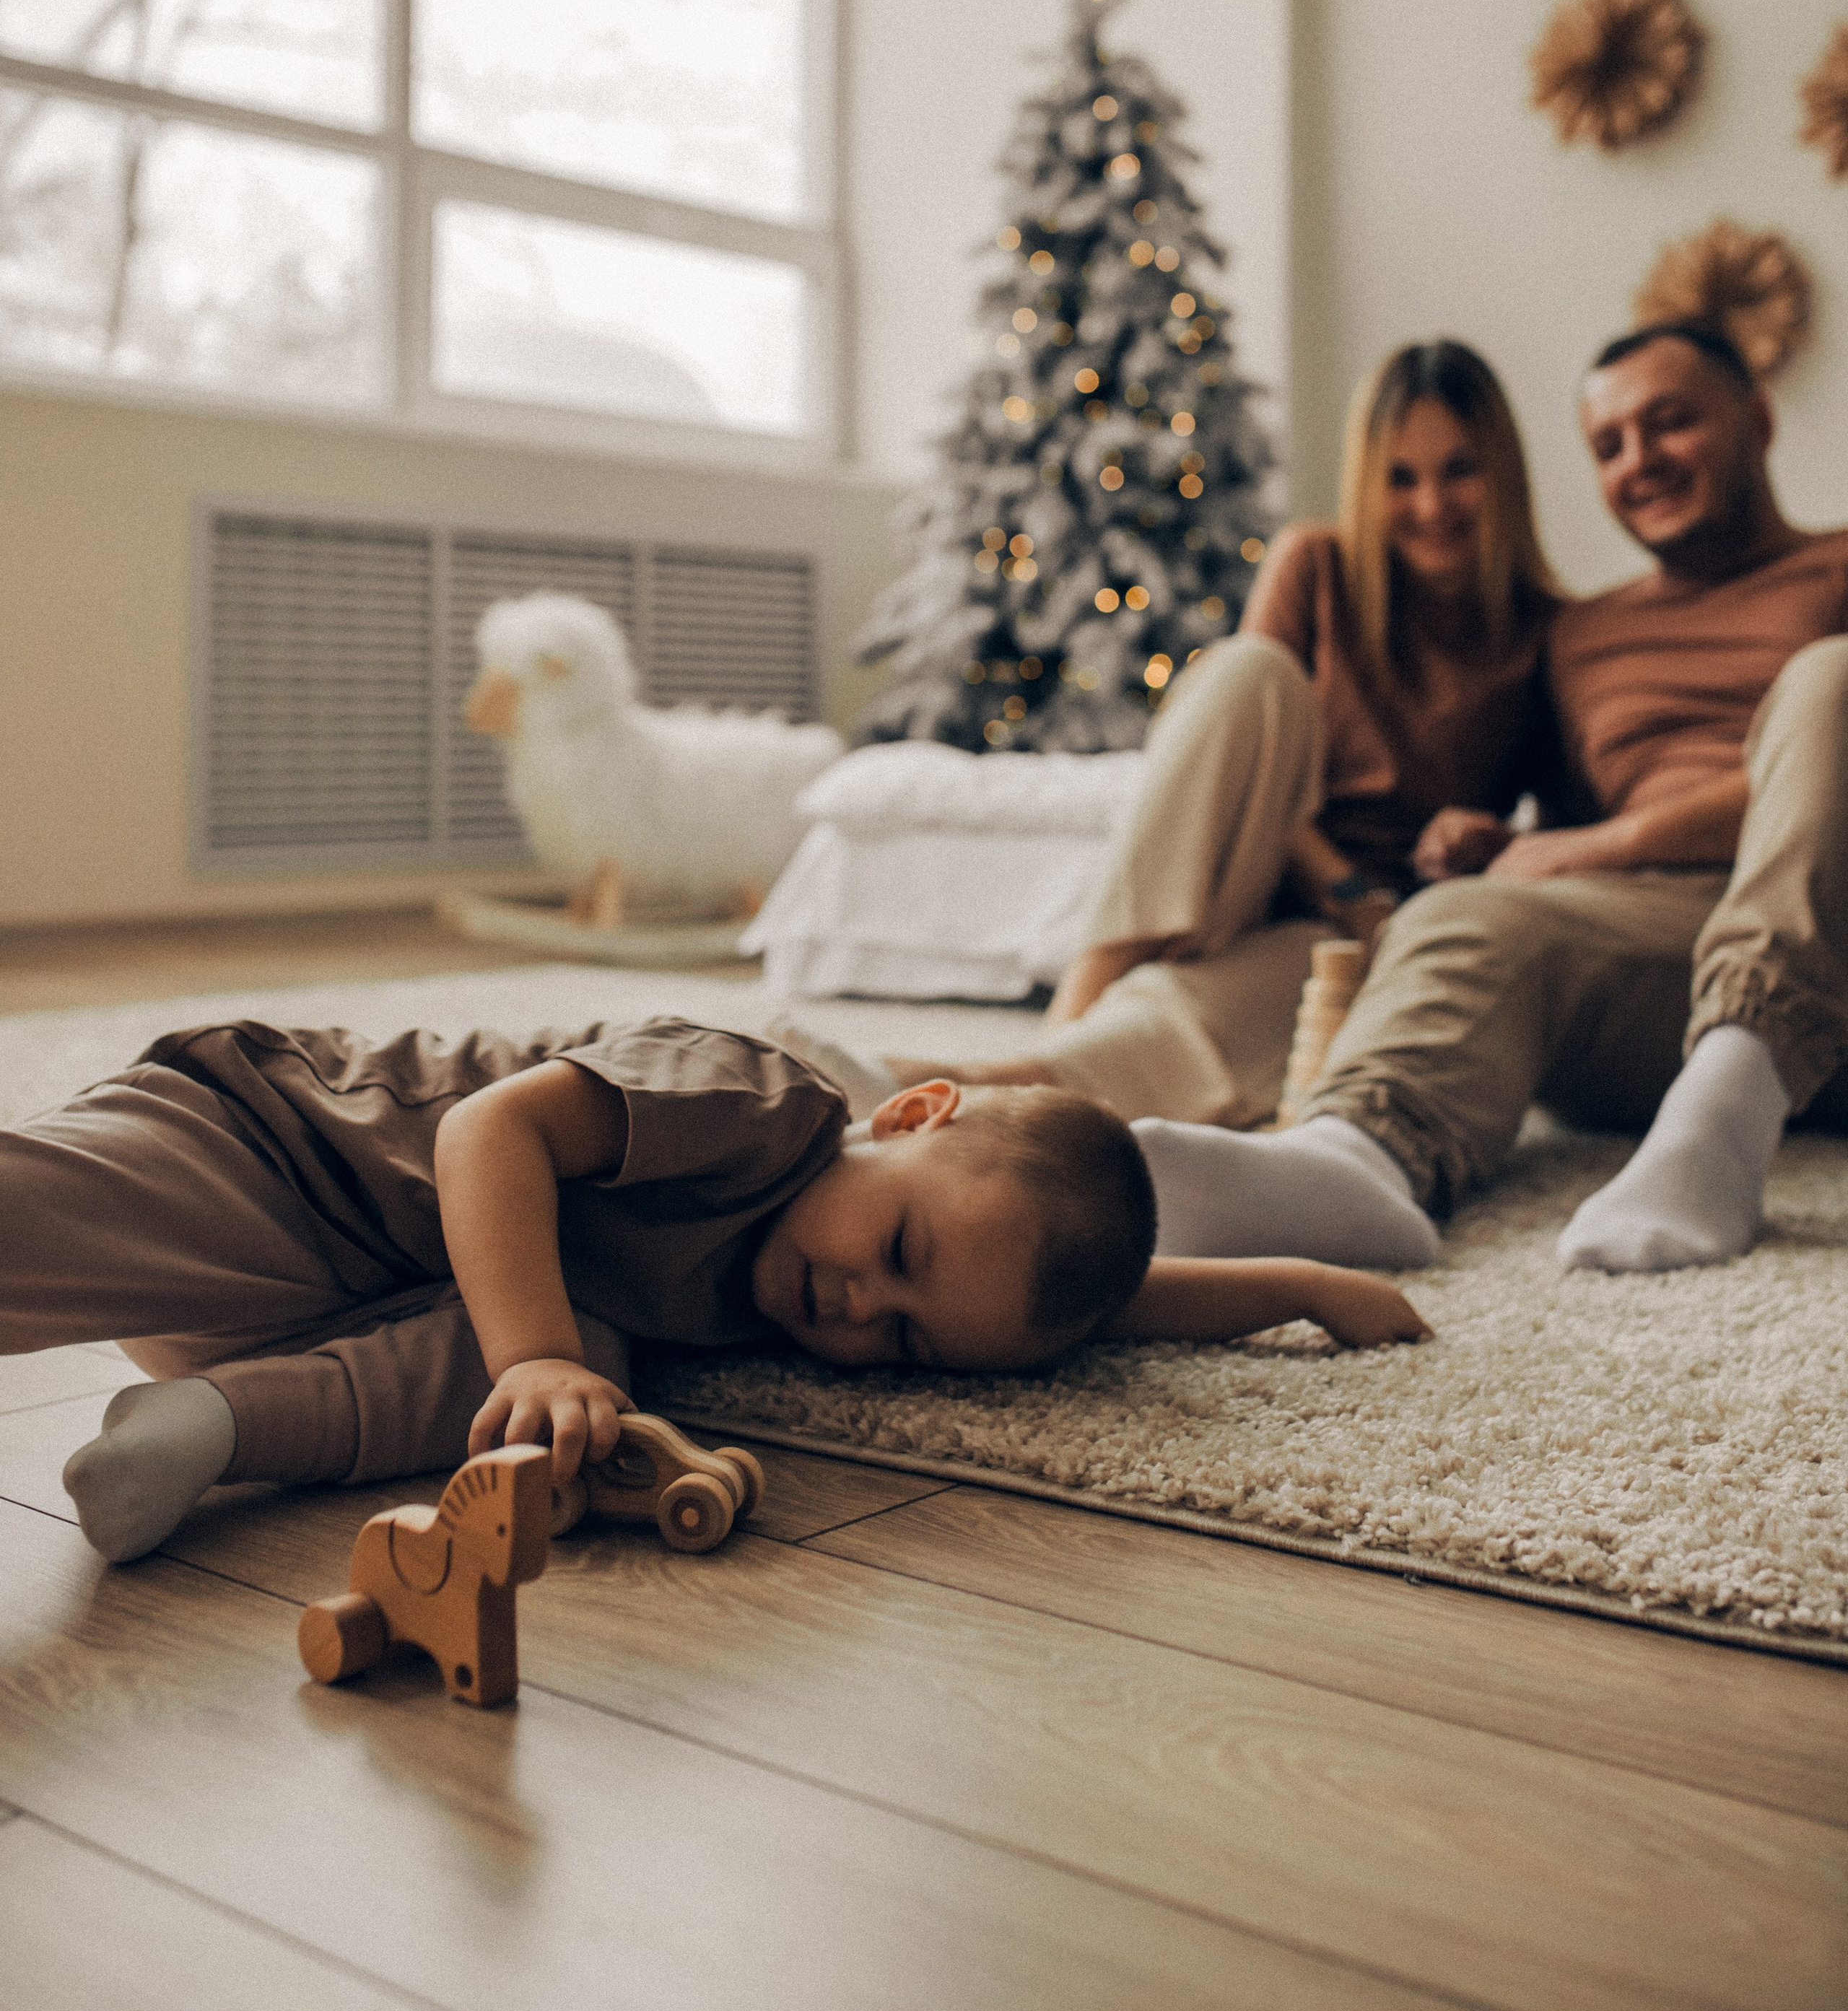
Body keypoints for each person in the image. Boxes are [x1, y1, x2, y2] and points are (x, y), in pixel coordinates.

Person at [2, 1012, 1429, 1566]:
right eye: (898, 1256)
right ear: (912, 1115)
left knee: (582, 1372)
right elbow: (483, 1134)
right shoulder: (758, 1100)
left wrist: (1295, 1287)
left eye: (910, 1345)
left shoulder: (892, 1274)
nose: (859, 1312)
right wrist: (537, 1353)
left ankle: (206, 1436)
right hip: (275, 1156)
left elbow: (1066, 1305)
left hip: (302, 1326)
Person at [1065, 319, 1848, 1281]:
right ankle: (1353, 1162)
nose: (1640, 460)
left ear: (1758, 418)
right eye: (1610, 445)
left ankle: (1730, 1108)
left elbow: (1586, 850)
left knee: (1832, 682)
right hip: (1662, 963)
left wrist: (1589, 850)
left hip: (1830, 937)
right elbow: (1563, 846)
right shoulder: (1582, 637)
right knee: (1470, 916)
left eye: (1672, 422)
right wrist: (1495, 850)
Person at [847, 339, 1561, 1146]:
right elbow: (1241, 750)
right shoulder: (1316, 566)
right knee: (1250, 672)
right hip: (1258, 865)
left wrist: (1481, 848)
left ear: (1501, 471)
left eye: (1458, 470)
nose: (1431, 504)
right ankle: (1067, 1010)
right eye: (1401, 477)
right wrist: (1350, 887)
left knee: (1184, 1021)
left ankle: (988, 1096)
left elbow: (1555, 847)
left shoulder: (1544, 633)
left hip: (1350, 944)